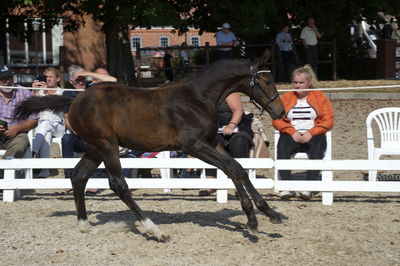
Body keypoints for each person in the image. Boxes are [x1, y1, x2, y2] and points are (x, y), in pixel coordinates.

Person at [272, 65, 334, 200]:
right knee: (282, 147)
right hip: (292, 133)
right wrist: (290, 131)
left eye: (301, 83)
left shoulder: (319, 96)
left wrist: (312, 132)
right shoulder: (286, 97)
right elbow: (276, 119)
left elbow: (328, 120)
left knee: (317, 150)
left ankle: (309, 187)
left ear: (309, 82)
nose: (298, 86)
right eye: (295, 82)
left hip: (313, 134)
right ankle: (285, 186)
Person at [62, 65, 116, 194]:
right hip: (78, 133)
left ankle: (94, 181)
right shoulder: (67, 94)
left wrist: (86, 72)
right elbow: (66, 119)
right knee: (66, 139)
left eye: (83, 79)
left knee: (95, 142)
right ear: (71, 81)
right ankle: (69, 179)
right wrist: (80, 131)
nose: (80, 82)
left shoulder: (93, 90)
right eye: (77, 80)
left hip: (93, 135)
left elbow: (112, 80)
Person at [199, 92, 254, 196]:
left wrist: (231, 125)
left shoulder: (229, 92)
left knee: (239, 142)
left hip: (236, 127)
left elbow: (238, 110)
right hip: (215, 130)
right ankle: (210, 182)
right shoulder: (204, 93)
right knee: (210, 143)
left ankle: (241, 183)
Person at [31, 67, 65, 178]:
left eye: (51, 77)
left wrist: (45, 93)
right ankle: (44, 170)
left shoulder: (62, 92)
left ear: (58, 79)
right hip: (43, 128)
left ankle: (32, 153)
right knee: (46, 135)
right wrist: (34, 91)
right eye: (46, 77)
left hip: (58, 126)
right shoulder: (40, 92)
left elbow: (54, 105)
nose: (48, 79)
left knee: (45, 124)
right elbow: (33, 106)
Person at [0, 65, 38, 159]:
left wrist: (17, 128)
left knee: (21, 143)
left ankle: (6, 170)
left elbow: (34, 120)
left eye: (9, 78)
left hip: (17, 134)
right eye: (3, 79)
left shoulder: (24, 93)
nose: (8, 81)